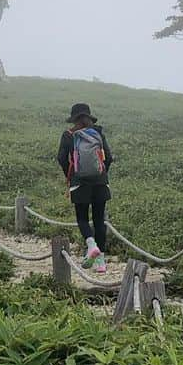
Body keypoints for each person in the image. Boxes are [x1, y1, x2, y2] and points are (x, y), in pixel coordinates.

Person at [57, 103, 112, 273]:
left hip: (79, 183)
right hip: (100, 182)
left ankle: (91, 245)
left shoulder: (69, 135)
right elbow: (108, 157)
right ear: (89, 117)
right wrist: (101, 174)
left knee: (82, 219)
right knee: (99, 221)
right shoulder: (98, 133)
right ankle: (101, 262)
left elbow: (61, 158)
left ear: (74, 119)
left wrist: (71, 174)